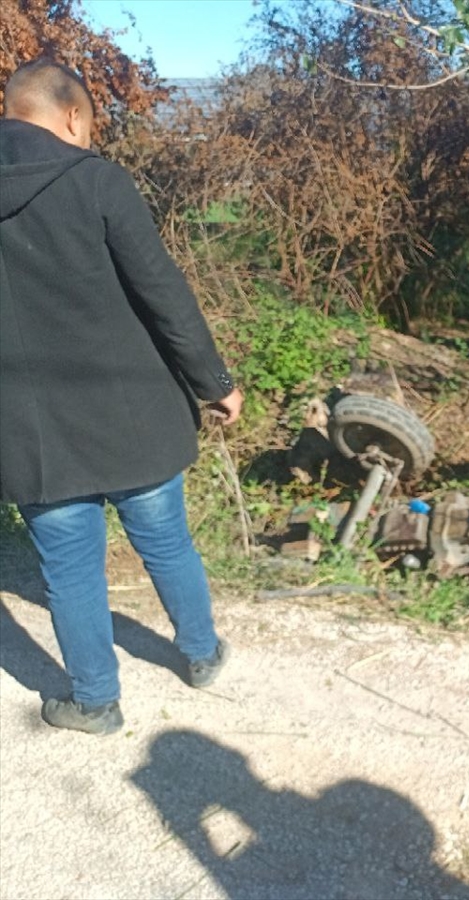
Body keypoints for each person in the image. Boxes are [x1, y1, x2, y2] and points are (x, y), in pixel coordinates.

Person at [0, 59, 244, 735]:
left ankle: (95, 702)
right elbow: (162, 293)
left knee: (69, 570)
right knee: (166, 544)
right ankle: (200, 655)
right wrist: (214, 384)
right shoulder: (97, 181)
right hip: (134, 417)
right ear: (72, 115)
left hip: (32, 434)